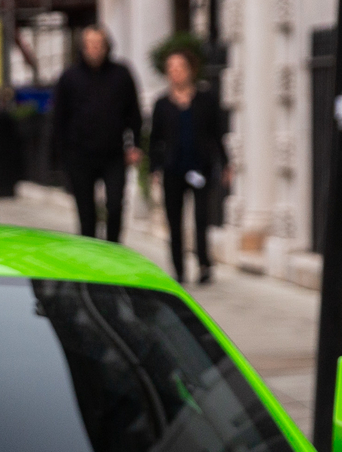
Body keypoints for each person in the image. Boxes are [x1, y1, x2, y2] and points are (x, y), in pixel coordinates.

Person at [49, 25, 142, 242]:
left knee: (116, 206)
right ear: (82, 48)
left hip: (113, 154)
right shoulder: (69, 77)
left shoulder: (121, 74)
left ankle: (113, 252)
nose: (94, 49)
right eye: (90, 45)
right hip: (79, 155)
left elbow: (134, 113)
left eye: (99, 44)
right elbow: (59, 120)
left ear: (107, 46)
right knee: (86, 214)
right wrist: (60, 156)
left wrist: (135, 144)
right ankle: (92, 266)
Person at [148, 45, 228, 284]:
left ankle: (204, 264)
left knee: (202, 218)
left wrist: (225, 163)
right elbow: (155, 139)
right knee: (175, 221)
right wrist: (154, 168)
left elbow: (218, 133)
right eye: (171, 68)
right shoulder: (161, 104)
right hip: (173, 169)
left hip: (200, 167)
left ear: (191, 70)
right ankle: (179, 269)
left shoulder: (206, 99)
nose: (176, 72)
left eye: (180, 67)